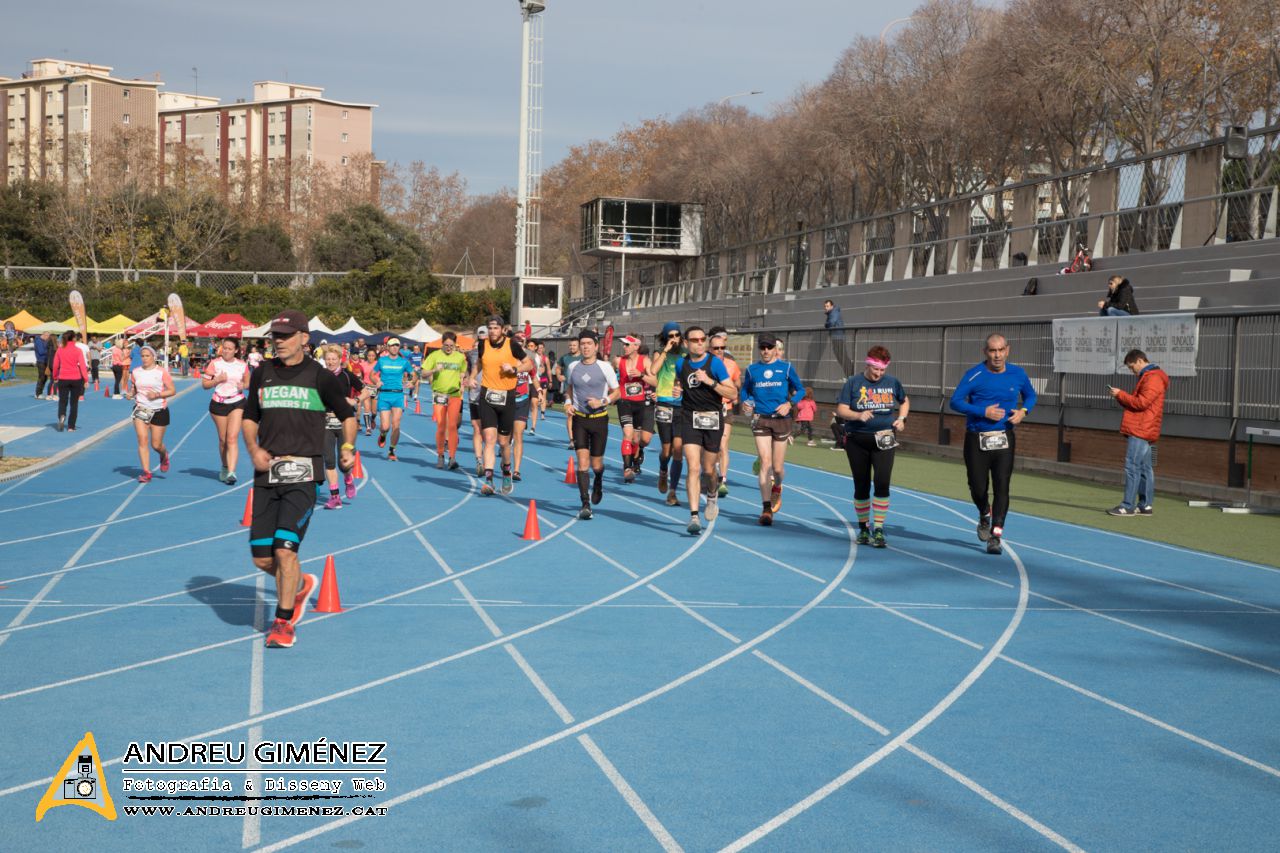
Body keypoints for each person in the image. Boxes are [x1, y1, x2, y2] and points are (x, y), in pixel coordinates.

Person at [242, 310, 357, 649]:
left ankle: (283, 621)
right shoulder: (261, 373)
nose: (278, 341)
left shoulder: (321, 377)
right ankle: (301, 585)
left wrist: (348, 446)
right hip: (267, 473)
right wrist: (253, 448)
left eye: (285, 335)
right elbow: (250, 417)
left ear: (304, 339)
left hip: (304, 473)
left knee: (285, 550)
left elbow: (348, 415)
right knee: (262, 558)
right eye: (275, 335)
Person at [948, 333, 1037, 555]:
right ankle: (984, 513)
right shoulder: (974, 375)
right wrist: (983, 411)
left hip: (1004, 438)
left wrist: (1023, 412)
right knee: (977, 487)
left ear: (1008, 350)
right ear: (985, 352)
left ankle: (996, 535)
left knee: (1002, 487)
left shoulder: (1018, 373)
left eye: (1000, 350)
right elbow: (955, 401)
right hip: (977, 438)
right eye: (992, 351)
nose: (997, 355)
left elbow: (1031, 396)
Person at [661, 325, 736, 534]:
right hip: (689, 418)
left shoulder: (716, 364)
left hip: (712, 419)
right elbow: (680, 382)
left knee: (709, 470)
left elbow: (732, 392)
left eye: (703, 339)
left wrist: (710, 381)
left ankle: (711, 495)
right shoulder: (681, 364)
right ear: (686, 343)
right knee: (693, 467)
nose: (701, 342)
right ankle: (694, 516)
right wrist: (678, 389)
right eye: (695, 340)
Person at [836, 346, 910, 546]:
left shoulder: (892, 382)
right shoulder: (853, 382)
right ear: (868, 364)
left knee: (882, 482)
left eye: (882, 370)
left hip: (884, 438)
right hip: (857, 439)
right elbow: (841, 409)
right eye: (875, 369)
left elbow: (904, 401)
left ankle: (878, 529)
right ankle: (862, 529)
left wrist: (902, 419)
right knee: (861, 484)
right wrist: (858, 415)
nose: (878, 374)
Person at [740, 333, 805, 525]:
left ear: (776, 349)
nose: (766, 351)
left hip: (781, 420)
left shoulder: (786, 368)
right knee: (765, 463)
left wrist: (790, 404)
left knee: (777, 468)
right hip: (761, 419)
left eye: (769, 347)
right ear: (759, 349)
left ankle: (778, 487)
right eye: (763, 347)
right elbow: (745, 390)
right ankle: (766, 508)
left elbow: (800, 389)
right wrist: (746, 403)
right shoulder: (752, 370)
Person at [467, 316, 533, 495]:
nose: (492, 331)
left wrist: (514, 369)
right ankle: (488, 481)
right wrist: (472, 377)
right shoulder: (483, 345)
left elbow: (529, 364)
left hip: (507, 397)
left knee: (504, 443)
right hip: (487, 396)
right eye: (490, 328)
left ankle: (506, 470)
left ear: (503, 330)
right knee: (489, 439)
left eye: (496, 328)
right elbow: (479, 363)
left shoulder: (512, 344)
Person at [565, 331, 620, 519]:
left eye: (589, 343)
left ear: (596, 346)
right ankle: (585, 504)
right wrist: (567, 403)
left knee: (596, 465)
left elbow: (617, 392)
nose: (585, 346)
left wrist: (602, 401)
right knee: (582, 463)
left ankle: (598, 480)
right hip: (579, 419)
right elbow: (569, 389)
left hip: (599, 419)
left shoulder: (605, 367)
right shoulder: (573, 367)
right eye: (582, 343)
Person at [1107, 349, 1169, 516]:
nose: (1131, 370)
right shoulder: (1151, 377)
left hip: (1142, 428)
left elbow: (1141, 403)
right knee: (1144, 467)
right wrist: (1120, 396)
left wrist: (1121, 394)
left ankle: (1127, 505)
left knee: (1132, 466)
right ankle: (1145, 505)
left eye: (1131, 366)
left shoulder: (1153, 377)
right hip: (1145, 427)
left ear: (1141, 361)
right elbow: (1139, 404)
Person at [644, 322, 686, 506]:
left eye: (677, 335)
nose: (674, 338)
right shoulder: (661, 354)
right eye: (671, 336)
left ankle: (673, 491)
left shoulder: (686, 355)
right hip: (663, 405)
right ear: (666, 337)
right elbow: (652, 371)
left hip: (682, 406)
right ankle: (663, 471)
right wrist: (665, 351)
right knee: (667, 450)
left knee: (678, 450)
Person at [318, 345, 364, 509]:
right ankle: (335, 496)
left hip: (345, 423)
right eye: (328, 359)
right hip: (326, 423)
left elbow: (365, 390)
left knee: (344, 463)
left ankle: (348, 479)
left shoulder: (346, 375)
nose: (330, 362)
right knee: (329, 461)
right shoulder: (319, 376)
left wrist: (355, 401)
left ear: (340, 360)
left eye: (333, 359)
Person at [201, 338, 250, 484]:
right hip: (219, 404)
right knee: (223, 440)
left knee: (232, 438)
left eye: (230, 348)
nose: (226, 351)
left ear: (236, 350)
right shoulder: (215, 363)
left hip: (237, 402)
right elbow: (205, 384)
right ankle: (225, 466)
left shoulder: (242, 365)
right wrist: (217, 380)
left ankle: (231, 472)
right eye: (224, 348)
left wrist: (244, 386)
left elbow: (247, 382)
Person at [127, 345, 176, 482]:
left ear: (154, 357)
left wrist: (157, 394)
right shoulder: (136, 372)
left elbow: (172, 390)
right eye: (142, 356)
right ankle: (147, 472)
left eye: (147, 356)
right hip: (141, 409)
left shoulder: (161, 372)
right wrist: (131, 394)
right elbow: (134, 389)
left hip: (159, 410)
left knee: (156, 444)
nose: (144, 358)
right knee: (142, 440)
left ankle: (163, 454)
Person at [421, 331, 467, 470]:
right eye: (446, 345)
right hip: (439, 394)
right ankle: (440, 455)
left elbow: (463, 373)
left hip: (454, 394)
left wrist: (463, 383)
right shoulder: (434, 356)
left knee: (452, 426)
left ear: (455, 345)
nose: (448, 348)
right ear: (442, 344)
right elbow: (423, 373)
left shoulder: (460, 357)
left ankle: (452, 458)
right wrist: (434, 370)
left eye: (451, 346)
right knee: (441, 426)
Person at [614, 335, 653, 483]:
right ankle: (626, 468)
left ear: (636, 346)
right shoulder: (619, 361)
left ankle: (635, 459)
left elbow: (654, 380)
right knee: (627, 434)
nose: (624, 347)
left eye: (627, 345)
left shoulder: (645, 361)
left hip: (640, 404)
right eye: (623, 345)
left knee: (637, 439)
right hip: (624, 402)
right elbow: (609, 377)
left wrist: (641, 375)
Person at [708, 329, 741, 498]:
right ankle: (709, 473)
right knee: (710, 448)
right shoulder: (704, 363)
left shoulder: (731, 364)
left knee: (723, 445)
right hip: (707, 409)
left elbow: (737, 382)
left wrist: (735, 394)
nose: (720, 351)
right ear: (710, 349)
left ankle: (723, 480)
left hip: (725, 408)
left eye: (722, 348)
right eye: (716, 348)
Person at [372, 338, 414, 461]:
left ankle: (392, 450)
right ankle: (383, 434)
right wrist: (377, 381)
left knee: (396, 424)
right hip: (384, 395)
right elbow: (372, 374)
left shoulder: (404, 362)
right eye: (392, 345)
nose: (395, 347)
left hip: (398, 395)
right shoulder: (382, 360)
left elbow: (414, 374)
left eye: (397, 345)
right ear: (388, 347)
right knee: (385, 426)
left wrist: (412, 381)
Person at [52, 330, 89, 432]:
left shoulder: (60, 350)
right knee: (74, 403)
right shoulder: (78, 350)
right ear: (74, 338)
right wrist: (85, 379)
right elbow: (82, 366)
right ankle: (71, 426)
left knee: (63, 401)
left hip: (63, 377)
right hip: (76, 378)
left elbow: (55, 365)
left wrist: (55, 376)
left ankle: (62, 415)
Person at [465, 326, 487, 475]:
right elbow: (468, 371)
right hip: (474, 395)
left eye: (484, 337)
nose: (482, 339)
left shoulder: (496, 352)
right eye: (480, 337)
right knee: (477, 428)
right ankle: (479, 461)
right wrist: (467, 380)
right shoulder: (471, 354)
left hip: (492, 394)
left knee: (490, 432)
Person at [555, 338, 582, 450]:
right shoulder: (565, 358)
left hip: (582, 391)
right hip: (568, 391)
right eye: (570, 345)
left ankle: (581, 437)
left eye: (574, 345)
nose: (572, 347)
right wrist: (558, 375)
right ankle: (571, 440)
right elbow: (557, 367)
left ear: (579, 346)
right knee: (570, 414)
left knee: (581, 416)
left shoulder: (583, 357)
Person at [351, 349, 378, 435]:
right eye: (369, 355)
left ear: (375, 356)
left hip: (375, 388)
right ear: (367, 356)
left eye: (373, 356)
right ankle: (368, 428)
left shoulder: (378, 364)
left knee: (374, 411)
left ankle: (373, 419)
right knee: (367, 409)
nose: (371, 357)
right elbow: (360, 375)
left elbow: (382, 375)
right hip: (366, 387)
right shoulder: (362, 364)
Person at [824, 299, 847, 373]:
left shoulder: (834, 312)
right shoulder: (832, 313)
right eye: (825, 306)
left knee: (843, 357)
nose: (826, 308)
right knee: (841, 357)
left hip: (838, 338)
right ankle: (849, 375)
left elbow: (831, 323)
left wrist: (826, 324)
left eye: (827, 306)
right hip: (836, 337)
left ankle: (851, 374)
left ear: (832, 306)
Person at [33, 332, 53, 399]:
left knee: (45, 377)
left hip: (45, 361)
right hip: (41, 361)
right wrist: (49, 350)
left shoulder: (44, 341)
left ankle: (40, 392)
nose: (48, 339)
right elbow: (41, 351)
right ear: (45, 335)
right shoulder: (38, 341)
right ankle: (37, 393)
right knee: (41, 377)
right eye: (48, 337)